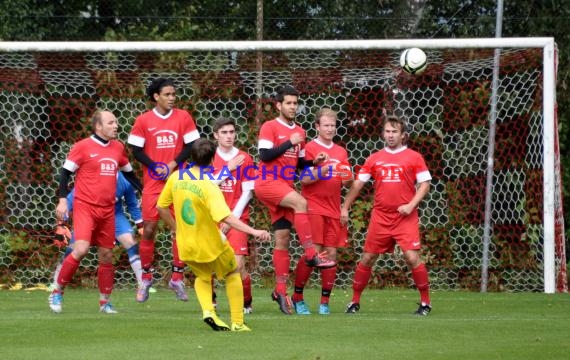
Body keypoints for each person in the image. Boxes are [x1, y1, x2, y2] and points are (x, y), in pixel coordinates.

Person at [157, 138, 271, 332]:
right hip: (211, 244)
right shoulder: (208, 186)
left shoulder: (176, 177)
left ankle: (209, 312)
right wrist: (254, 231)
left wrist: (177, 229)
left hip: (186, 244)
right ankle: (237, 322)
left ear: (191, 157)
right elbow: (226, 217)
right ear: (212, 160)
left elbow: (161, 207)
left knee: (202, 276)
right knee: (233, 272)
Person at [254, 85, 336, 315]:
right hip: (268, 182)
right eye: (288, 103)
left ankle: (280, 290)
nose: (292, 106)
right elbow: (265, 155)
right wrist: (290, 141)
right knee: (302, 203)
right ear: (278, 105)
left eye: (295, 103)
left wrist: (315, 162)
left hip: (284, 187)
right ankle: (311, 255)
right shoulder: (270, 126)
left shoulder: (299, 131)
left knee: (282, 239)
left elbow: (299, 165)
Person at [50, 109, 142, 314]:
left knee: (107, 254)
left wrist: (149, 191)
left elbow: (130, 175)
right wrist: (63, 200)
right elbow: (65, 173)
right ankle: (57, 291)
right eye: (111, 122)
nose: (116, 125)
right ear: (98, 126)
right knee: (81, 248)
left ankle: (104, 303)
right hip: (85, 207)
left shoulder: (118, 148)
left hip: (108, 210)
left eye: (116, 122)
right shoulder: (82, 147)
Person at [341, 115, 432, 316]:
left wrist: (410, 205)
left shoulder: (414, 157)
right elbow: (358, 184)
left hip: (405, 217)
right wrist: (345, 206)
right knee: (368, 257)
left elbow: (425, 184)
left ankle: (425, 302)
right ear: (383, 134)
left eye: (394, 132)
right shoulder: (375, 158)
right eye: (387, 131)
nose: (390, 135)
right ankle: (354, 302)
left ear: (403, 135)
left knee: (411, 257)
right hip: (380, 217)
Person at [127, 77, 200, 303]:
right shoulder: (143, 120)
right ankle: (146, 277)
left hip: (179, 181)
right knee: (148, 229)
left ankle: (177, 277)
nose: (172, 98)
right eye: (167, 94)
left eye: (173, 94)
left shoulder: (183, 117)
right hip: (154, 183)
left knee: (180, 229)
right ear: (156, 96)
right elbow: (135, 150)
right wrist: (154, 166)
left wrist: (171, 164)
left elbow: (192, 146)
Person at [290, 108, 353, 315]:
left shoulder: (341, 152)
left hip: (334, 210)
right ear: (317, 127)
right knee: (313, 254)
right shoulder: (309, 148)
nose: (330, 129)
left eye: (333, 125)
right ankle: (297, 297)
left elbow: (346, 182)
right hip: (313, 207)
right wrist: (323, 170)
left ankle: (324, 303)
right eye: (326, 125)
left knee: (331, 254)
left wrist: (348, 179)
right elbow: (305, 179)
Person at [50, 172, 145, 297]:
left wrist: (140, 224)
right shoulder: (90, 178)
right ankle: (56, 283)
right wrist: (61, 224)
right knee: (75, 249)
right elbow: (71, 199)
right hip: (88, 215)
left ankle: (142, 284)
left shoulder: (124, 181)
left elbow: (132, 203)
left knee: (130, 242)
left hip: (114, 216)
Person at [211, 117, 256, 313]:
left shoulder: (245, 158)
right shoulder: (209, 157)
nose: (229, 136)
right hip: (213, 218)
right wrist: (227, 169)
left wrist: (232, 219)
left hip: (237, 217)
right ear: (216, 135)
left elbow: (248, 191)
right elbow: (207, 186)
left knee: (237, 265)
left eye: (231, 132)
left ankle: (246, 302)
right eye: (224, 132)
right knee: (209, 262)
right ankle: (211, 300)